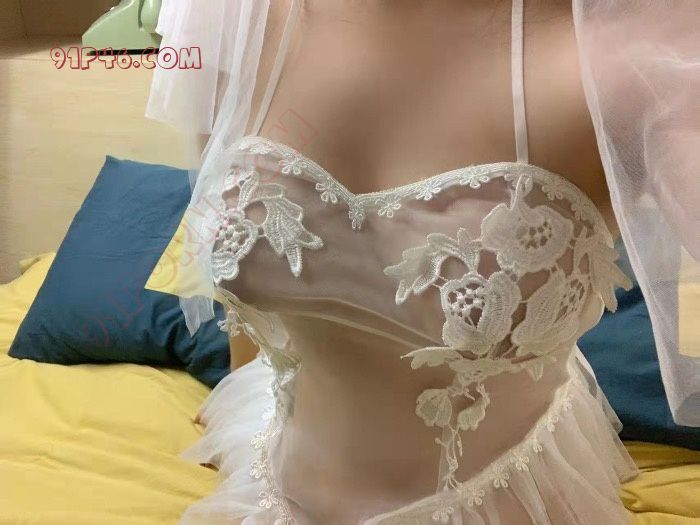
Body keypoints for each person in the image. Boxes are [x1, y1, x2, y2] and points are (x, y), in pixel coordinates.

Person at [146, 1, 700, 523]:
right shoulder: (237, 17)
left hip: (501, 500)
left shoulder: (641, 58)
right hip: (274, 482)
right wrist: (237, 394)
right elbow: (230, 254)